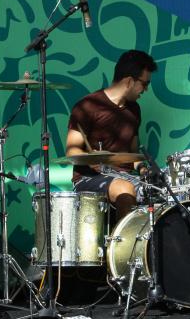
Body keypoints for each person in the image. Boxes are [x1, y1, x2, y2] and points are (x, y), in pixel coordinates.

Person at [65, 49, 156, 217]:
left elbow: (132, 154)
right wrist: (90, 159)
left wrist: (143, 169)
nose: (146, 89)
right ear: (129, 81)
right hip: (89, 179)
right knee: (125, 188)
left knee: (161, 189)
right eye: (144, 84)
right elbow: (72, 151)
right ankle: (125, 235)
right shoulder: (87, 106)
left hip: (126, 176)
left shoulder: (134, 110)